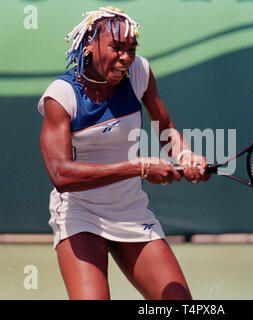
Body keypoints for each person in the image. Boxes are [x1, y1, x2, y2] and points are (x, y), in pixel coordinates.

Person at [38, 6, 210, 300]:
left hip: (129, 210)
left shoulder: (140, 73)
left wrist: (185, 156)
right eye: (116, 48)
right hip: (79, 213)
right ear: (90, 44)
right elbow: (61, 174)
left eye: (131, 49)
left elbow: (166, 127)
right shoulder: (61, 96)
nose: (126, 58)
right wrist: (139, 168)